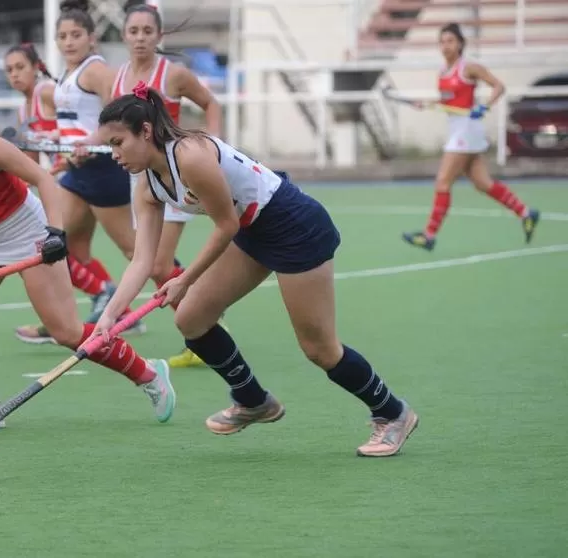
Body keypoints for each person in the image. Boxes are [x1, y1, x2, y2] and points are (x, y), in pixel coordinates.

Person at [92, 82, 419, 457]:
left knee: (319, 349)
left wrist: (185, 278)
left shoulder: (190, 155)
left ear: (145, 131)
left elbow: (226, 225)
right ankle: (253, 400)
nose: (113, 154)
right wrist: (110, 317)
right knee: (192, 318)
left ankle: (393, 413)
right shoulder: (146, 183)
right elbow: (142, 260)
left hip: (293, 226)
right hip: (253, 232)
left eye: (117, 143)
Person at [0, 78, 175, 430]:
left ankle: (149, 373)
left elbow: (43, 179)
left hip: (29, 230)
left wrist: (55, 233)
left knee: (66, 331)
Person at [12, 0, 168, 344]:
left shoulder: (95, 70)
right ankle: (72, 320)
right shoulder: (69, 74)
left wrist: (89, 142)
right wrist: (57, 137)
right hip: (77, 175)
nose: (69, 41)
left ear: (92, 38)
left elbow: (116, 115)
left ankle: (195, 301)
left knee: (138, 251)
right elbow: (78, 122)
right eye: (63, 36)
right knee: (65, 247)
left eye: (76, 34)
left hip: (101, 170)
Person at [112, 1, 224, 368]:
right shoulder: (117, 79)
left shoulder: (173, 74)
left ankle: (201, 329)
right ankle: (201, 323)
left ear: (159, 35)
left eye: (148, 31)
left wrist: (213, 148)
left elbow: (211, 104)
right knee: (150, 262)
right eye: (133, 31)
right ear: (123, 35)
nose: (141, 38)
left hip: (177, 175)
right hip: (144, 179)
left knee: (158, 263)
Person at [4, 42, 117, 330]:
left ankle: (100, 298)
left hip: (84, 172)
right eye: (9, 70)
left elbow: (79, 119)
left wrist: (69, 153)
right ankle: (118, 308)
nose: (15, 75)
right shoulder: (22, 112)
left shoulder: (47, 93)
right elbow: (30, 165)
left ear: (36, 68)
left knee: (50, 245)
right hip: (67, 181)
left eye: (20, 67)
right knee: (76, 251)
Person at [402, 22, 540, 251]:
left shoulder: (469, 68)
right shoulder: (442, 73)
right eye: (442, 41)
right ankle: (526, 213)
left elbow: (498, 86)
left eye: (450, 41)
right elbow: (448, 102)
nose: (446, 46)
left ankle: (429, 235)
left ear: (460, 44)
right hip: (458, 129)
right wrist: (427, 104)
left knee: (443, 181)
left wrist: (484, 106)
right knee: (483, 183)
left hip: (467, 129)